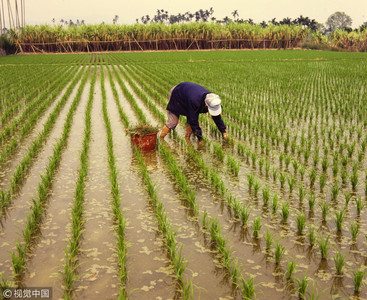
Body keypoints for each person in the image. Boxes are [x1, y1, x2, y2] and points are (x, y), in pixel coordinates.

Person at [159, 82, 227, 145]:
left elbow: (217, 117)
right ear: (206, 105)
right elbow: (194, 121)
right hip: (177, 93)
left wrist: (224, 133)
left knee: (190, 119)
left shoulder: (213, 100)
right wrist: (200, 139)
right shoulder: (195, 101)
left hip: (188, 94)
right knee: (173, 122)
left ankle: (187, 137)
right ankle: (161, 138)